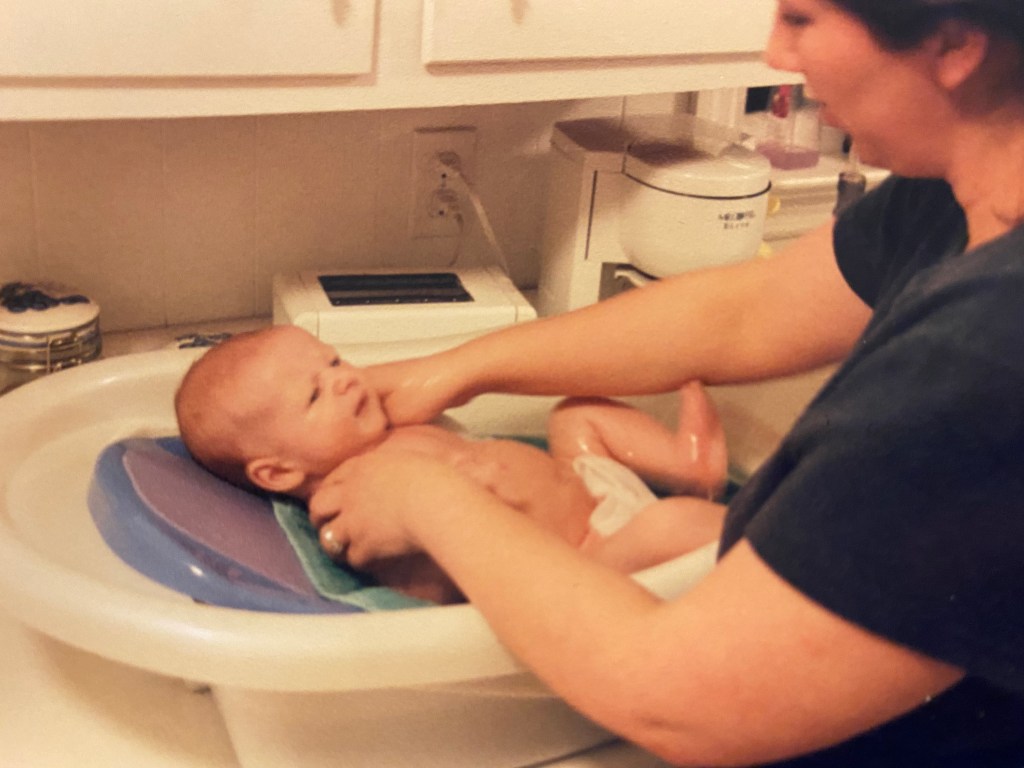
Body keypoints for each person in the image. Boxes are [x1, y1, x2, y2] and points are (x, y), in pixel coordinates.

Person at [307, 1, 1024, 765]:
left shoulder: (988, 349)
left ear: (954, 44)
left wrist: (423, 494)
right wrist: (455, 370)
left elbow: (684, 697)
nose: (776, 55)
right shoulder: (953, 187)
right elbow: (746, 310)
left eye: (802, 17)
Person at [173, 324, 729, 602]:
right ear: (279, 473)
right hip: (587, 564)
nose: (344, 378)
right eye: (315, 395)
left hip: (592, 493)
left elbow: (397, 384)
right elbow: (434, 582)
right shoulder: (347, 496)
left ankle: (687, 464)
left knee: (574, 417)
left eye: (335, 360)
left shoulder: (376, 428)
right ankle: (768, 541)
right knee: (671, 526)